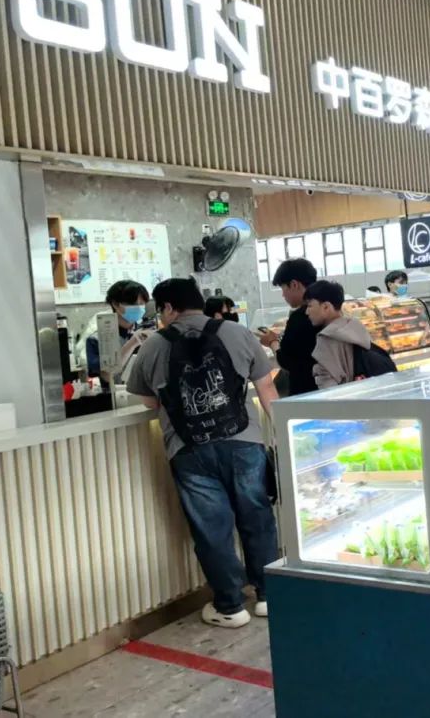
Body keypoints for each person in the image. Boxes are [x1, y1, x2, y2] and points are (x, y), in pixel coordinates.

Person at [127, 278, 279, 629]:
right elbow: (266, 385)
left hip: (189, 448)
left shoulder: (154, 345)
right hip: (244, 440)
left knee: (212, 527)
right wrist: (285, 435)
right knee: (257, 516)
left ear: (167, 308)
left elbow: (149, 401)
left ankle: (230, 606)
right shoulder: (238, 333)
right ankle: (269, 595)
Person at [261, 259, 319, 397]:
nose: (283, 295)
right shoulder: (325, 309)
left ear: (294, 284)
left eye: (283, 289)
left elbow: (286, 361)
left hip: (307, 392)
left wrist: (272, 342)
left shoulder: (300, 316)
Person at [304, 280, 375, 388]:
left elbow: (328, 386)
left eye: (309, 306)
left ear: (326, 307)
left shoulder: (326, 338)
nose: (306, 312)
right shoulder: (355, 326)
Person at [81, 279, 150, 378]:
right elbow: (107, 376)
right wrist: (133, 342)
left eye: (142, 304)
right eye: (133, 303)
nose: (139, 308)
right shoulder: (96, 340)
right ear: (116, 304)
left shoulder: (147, 333)